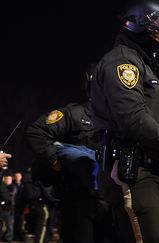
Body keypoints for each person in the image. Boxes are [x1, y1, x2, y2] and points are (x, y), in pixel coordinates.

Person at [90, 0, 159, 242]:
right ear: (142, 28)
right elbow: (132, 118)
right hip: (130, 170)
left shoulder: (139, 62)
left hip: (144, 168)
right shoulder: (123, 63)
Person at [25, 66, 114, 243]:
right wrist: (54, 160)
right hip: (78, 201)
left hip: (109, 200)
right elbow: (36, 132)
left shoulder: (117, 118)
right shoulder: (74, 113)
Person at [0, 172, 16, 242]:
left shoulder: (13, 187)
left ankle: (8, 239)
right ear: (4, 179)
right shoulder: (1, 187)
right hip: (2, 209)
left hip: (10, 210)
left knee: (10, 226)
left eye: (10, 179)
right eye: (7, 179)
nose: (9, 180)